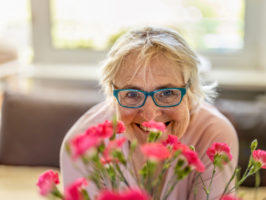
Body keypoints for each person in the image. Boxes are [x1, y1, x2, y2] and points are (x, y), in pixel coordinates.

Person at [60, 26, 239, 200]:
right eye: (132, 94)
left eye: (167, 93)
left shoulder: (214, 134)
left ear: (191, 92)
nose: (150, 115)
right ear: (112, 96)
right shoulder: (83, 144)